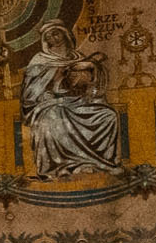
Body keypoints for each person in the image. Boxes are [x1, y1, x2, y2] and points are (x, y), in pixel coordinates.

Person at [23, 22, 123, 177]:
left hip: (80, 101)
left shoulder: (79, 57)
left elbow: (92, 84)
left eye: (56, 33)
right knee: (52, 117)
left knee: (108, 116)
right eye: (49, 36)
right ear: (45, 40)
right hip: (51, 102)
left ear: (65, 34)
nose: (53, 38)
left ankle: (98, 163)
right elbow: (30, 94)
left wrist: (92, 67)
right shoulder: (40, 60)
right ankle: (60, 166)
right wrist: (57, 75)